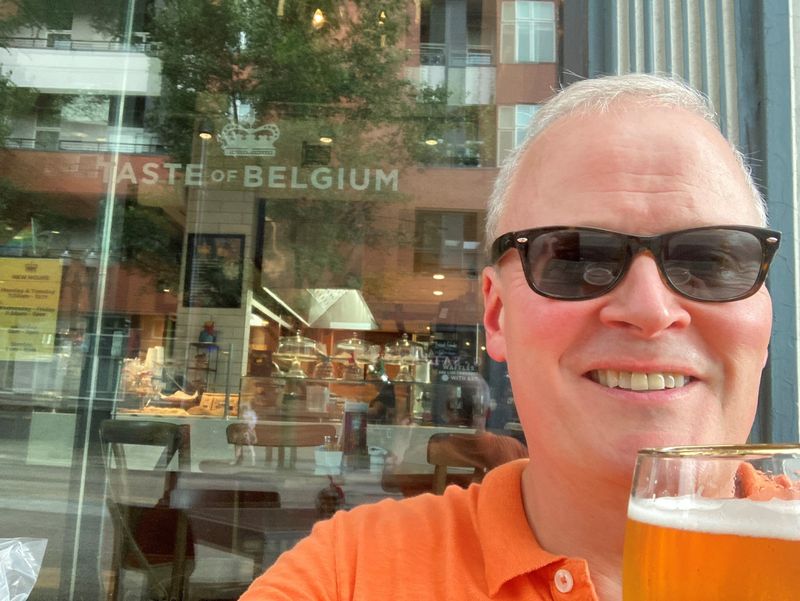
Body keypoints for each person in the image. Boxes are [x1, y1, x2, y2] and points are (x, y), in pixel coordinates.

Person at [239, 73, 779, 601]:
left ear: (764, 319)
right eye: (577, 259)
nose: (649, 309)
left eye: (710, 261)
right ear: (497, 315)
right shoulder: (346, 577)